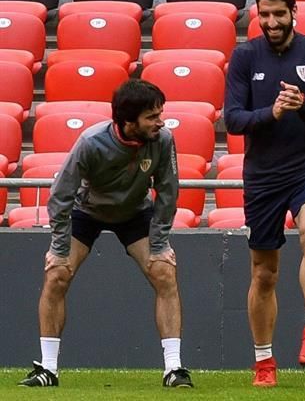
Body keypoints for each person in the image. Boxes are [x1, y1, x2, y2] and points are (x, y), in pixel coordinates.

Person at [18, 79, 192, 388]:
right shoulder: (90, 142)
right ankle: (47, 369)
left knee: (165, 272)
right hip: (88, 211)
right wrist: (59, 247)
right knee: (56, 274)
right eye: (152, 117)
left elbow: (168, 191)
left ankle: (174, 369)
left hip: (136, 212)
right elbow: (60, 195)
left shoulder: (163, 140)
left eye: (160, 114)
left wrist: (160, 242)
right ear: (128, 122)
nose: (160, 122)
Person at [224, 0, 305, 388]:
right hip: (262, 177)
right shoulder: (244, 56)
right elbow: (233, 119)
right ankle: (264, 362)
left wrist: (303, 104)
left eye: (279, 13)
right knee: (264, 274)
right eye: (265, 14)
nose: (271, 21)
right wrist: (271, 113)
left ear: (295, 12)